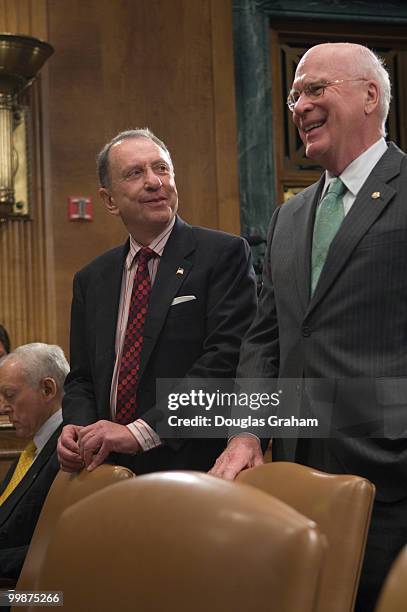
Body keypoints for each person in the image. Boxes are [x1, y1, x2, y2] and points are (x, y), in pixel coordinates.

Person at [210, 42, 407, 611]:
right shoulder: (289, 216)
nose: (299, 105)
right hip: (290, 481)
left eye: (315, 89)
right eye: (295, 94)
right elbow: (263, 338)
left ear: (370, 96)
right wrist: (247, 432)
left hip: (390, 485)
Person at [58, 128, 257, 476]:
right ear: (108, 200)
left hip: (192, 467)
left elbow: (224, 360)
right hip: (105, 471)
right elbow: (82, 378)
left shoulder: (222, 255)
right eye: (135, 173)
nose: (154, 182)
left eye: (162, 169)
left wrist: (139, 433)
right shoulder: (92, 279)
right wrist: (78, 428)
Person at [0, 343, 69, 580]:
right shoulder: (33, 449)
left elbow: (62, 549)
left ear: (48, 389)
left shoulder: (70, 451)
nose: (2, 407)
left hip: (38, 597)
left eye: (9, 395)